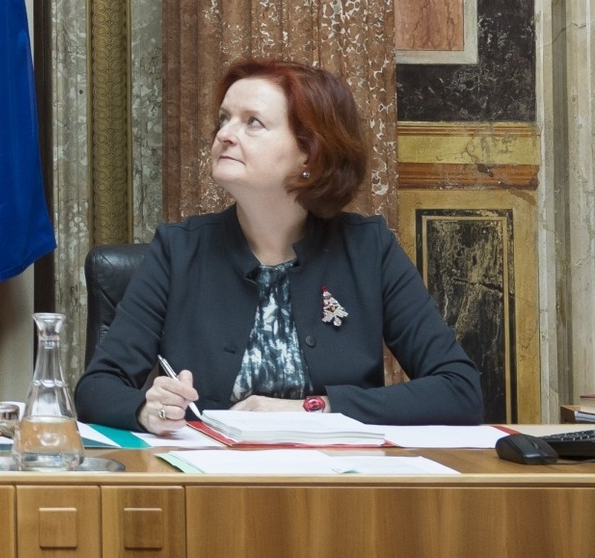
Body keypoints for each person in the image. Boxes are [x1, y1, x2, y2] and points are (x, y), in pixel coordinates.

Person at [76, 58, 483, 430]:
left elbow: (459, 390)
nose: (224, 135)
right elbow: (97, 388)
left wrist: (315, 407)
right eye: (224, 119)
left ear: (309, 152)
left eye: (252, 122)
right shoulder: (178, 250)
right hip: (211, 484)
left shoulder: (368, 250)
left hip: (337, 487)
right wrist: (147, 408)